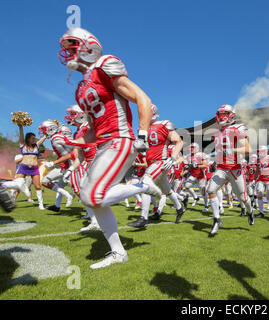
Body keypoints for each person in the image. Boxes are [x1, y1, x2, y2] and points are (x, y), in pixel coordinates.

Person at [59, 27, 156, 269]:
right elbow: (92, 129)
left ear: (88, 46)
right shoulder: (81, 88)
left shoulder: (105, 65)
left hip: (120, 138)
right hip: (104, 142)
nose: (67, 52)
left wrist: (142, 134)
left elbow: (142, 98)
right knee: (92, 199)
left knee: (92, 196)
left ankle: (140, 185)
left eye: (72, 46)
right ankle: (118, 252)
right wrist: (73, 141)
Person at [128, 105, 185, 227]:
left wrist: (173, 157)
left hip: (161, 161)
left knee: (145, 184)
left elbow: (179, 142)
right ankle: (180, 208)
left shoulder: (164, 124)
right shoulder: (143, 129)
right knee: (167, 191)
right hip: (151, 164)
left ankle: (143, 218)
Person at [206, 104, 254, 235]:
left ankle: (250, 211)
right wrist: (216, 162)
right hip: (221, 168)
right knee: (210, 190)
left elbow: (248, 149)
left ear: (231, 115)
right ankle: (216, 219)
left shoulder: (238, 128)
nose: (222, 117)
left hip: (235, 168)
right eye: (220, 114)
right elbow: (220, 152)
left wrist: (233, 150)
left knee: (243, 197)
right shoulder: (217, 133)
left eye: (224, 114)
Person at [1, 125, 46, 209]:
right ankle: (9, 194)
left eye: (35, 138)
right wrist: (20, 127)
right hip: (23, 167)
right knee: (18, 183)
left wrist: (47, 133)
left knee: (37, 186)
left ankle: (41, 204)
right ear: (28, 138)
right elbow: (21, 136)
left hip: (34, 169)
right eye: (33, 138)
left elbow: (44, 138)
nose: (34, 139)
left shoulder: (36, 145)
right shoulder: (23, 145)